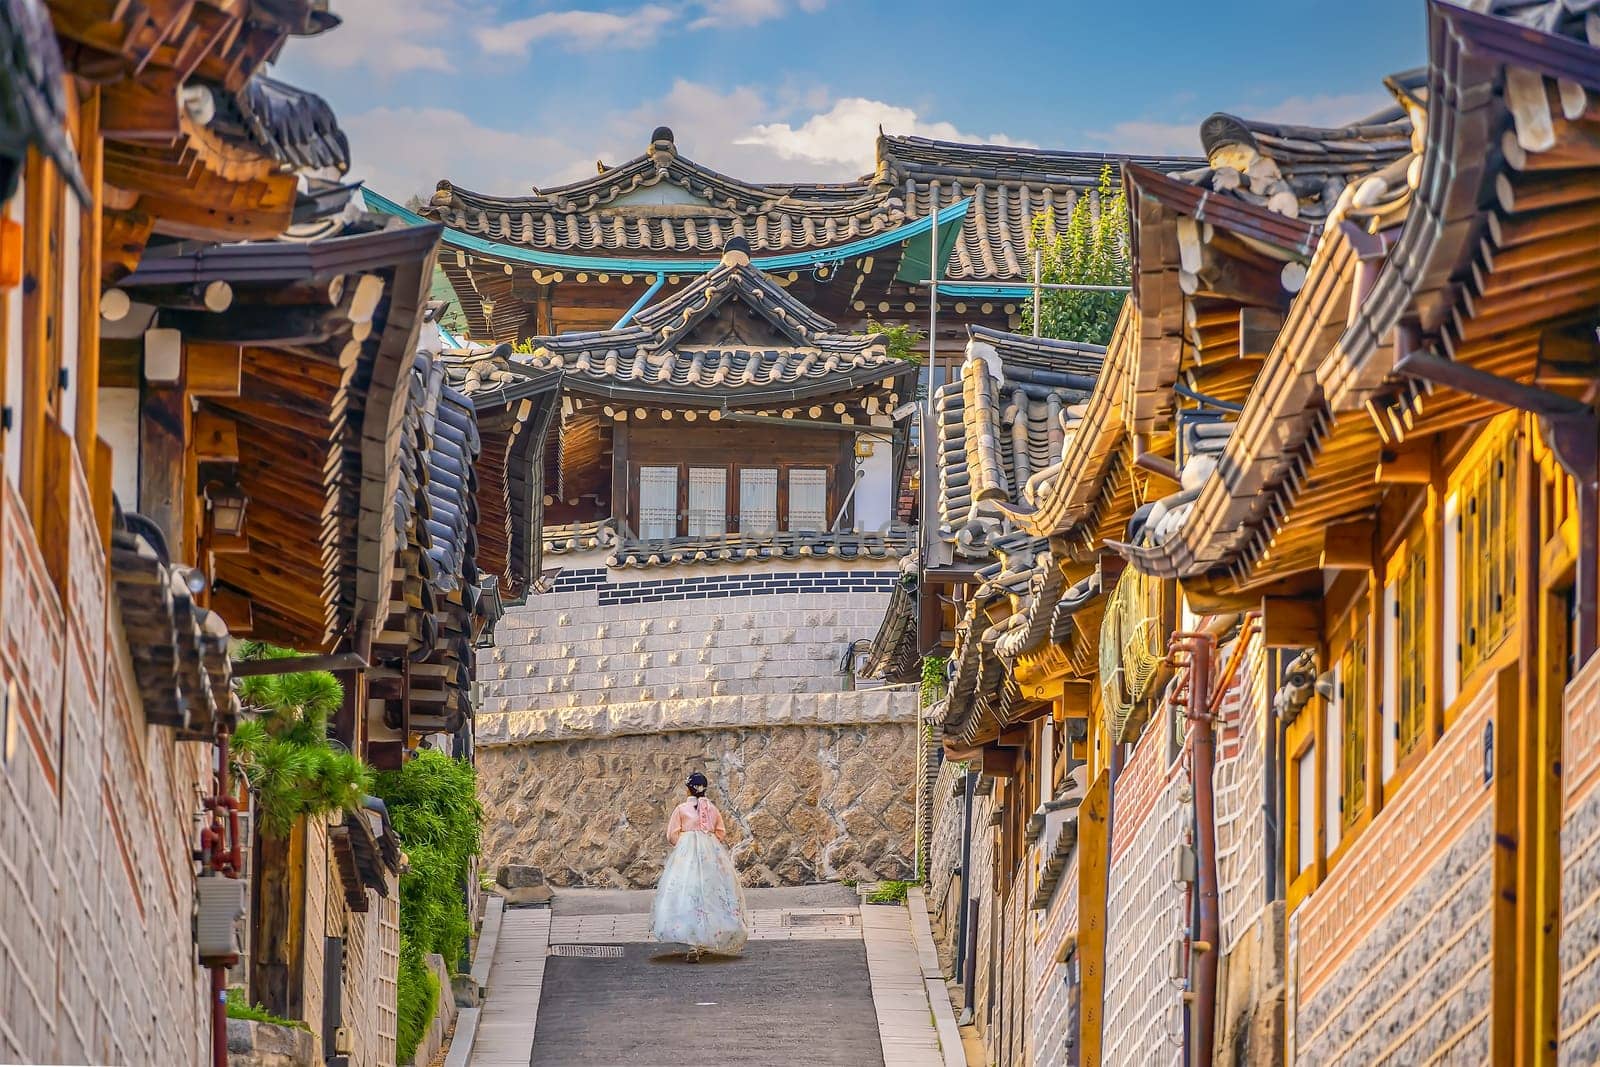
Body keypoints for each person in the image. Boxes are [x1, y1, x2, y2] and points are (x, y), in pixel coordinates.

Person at [650, 771, 750, 958]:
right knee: (711, 893)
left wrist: (685, 842)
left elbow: (672, 834)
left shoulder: (681, 809)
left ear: (688, 789)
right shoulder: (712, 809)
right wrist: (708, 841)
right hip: (710, 856)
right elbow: (721, 832)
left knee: (687, 892)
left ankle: (692, 941)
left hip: (687, 857)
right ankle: (707, 937)